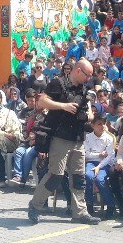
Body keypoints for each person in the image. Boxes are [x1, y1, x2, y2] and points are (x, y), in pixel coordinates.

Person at [27, 60, 101, 225]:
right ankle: (35, 205)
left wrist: (87, 115)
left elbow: (89, 113)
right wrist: (63, 106)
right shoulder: (58, 83)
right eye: (87, 75)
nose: (89, 79)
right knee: (55, 176)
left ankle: (80, 212)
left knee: (78, 177)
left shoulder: (84, 90)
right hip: (60, 137)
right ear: (78, 71)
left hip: (78, 138)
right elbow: (41, 102)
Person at [83, 115, 117, 219]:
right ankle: (89, 204)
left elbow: (110, 156)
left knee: (100, 179)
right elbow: (87, 154)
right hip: (91, 162)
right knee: (88, 176)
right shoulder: (88, 137)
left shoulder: (109, 138)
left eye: (103, 123)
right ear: (93, 125)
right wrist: (98, 154)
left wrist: (99, 166)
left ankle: (111, 206)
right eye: (99, 124)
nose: (102, 126)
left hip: (104, 163)